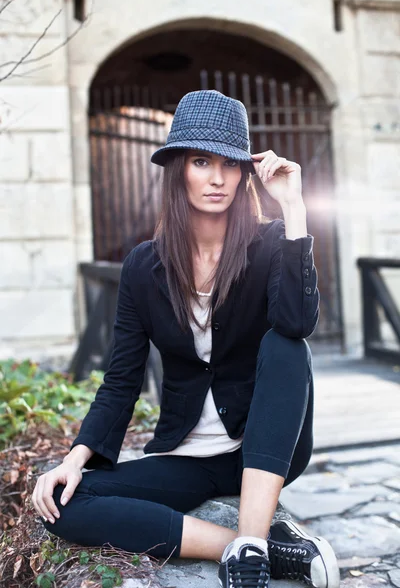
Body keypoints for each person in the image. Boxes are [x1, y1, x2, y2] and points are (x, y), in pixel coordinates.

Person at [32, 90, 340, 588]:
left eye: (229, 164)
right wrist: (73, 459)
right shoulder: (142, 266)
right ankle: (258, 547)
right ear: (179, 168)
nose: (217, 178)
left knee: (286, 344)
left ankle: (250, 540)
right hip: (188, 457)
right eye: (201, 161)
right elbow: (121, 378)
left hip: (261, 449)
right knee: (65, 506)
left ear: (244, 174)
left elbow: (298, 322)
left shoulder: (268, 244)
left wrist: (294, 208)